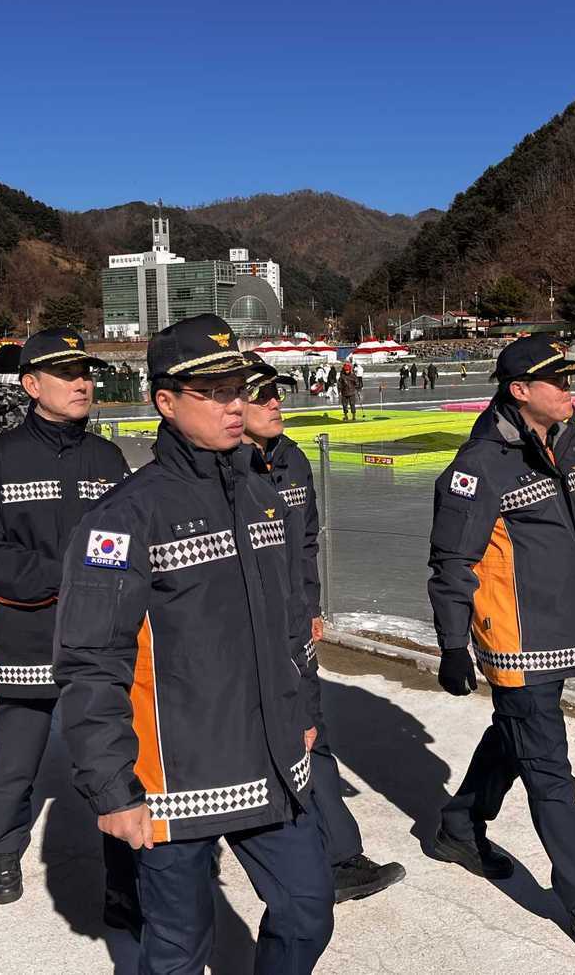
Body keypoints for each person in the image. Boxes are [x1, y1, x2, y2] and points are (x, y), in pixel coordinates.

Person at [54, 315, 333, 974]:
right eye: (213, 390)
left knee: (308, 910)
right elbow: (90, 660)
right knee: (179, 949)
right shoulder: (122, 518)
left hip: (270, 756)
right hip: (176, 782)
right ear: (167, 402)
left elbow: (292, 620)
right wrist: (111, 789)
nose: (236, 402)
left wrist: (307, 712)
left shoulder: (264, 493)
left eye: (239, 384)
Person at [427, 334, 575, 966]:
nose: (571, 391)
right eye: (560, 383)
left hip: (561, 627)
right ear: (521, 392)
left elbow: (565, 513)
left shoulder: (559, 440)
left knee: (517, 733)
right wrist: (452, 645)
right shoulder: (478, 467)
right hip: (517, 638)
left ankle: (459, 826)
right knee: (551, 772)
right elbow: (452, 562)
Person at [0, 328, 137, 918]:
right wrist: (62, 578)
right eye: (66, 374)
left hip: (100, 640)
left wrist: (107, 585)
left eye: (86, 373)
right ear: (31, 385)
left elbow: (127, 537)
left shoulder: (107, 458)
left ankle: (123, 883)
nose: (83, 383)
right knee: (16, 762)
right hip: (27, 633)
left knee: (112, 765)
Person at [239, 353, 407, 904]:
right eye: (261, 393)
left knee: (313, 733)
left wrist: (310, 605)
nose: (275, 402)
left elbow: (305, 541)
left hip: (293, 624)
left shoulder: (290, 457)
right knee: (262, 742)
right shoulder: (221, 468)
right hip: (244, 634)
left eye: (276, 392)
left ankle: (338, 856)